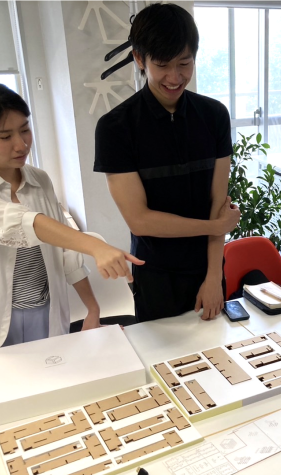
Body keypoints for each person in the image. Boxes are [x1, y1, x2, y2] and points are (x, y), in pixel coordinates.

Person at [0, 79, 144, 365]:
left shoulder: (39, 180)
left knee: (53, 392)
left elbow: (65, 253)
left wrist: (92, 310)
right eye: (4, 136)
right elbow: (20, 224)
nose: (20, 144)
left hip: (45, 311)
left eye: (25, 129)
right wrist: (96, 246)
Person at [94, 3, 240, 323]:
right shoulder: (116, 128)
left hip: (209, 269)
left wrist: (214, 276)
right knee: (165, 366)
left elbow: (219, 202)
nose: (175, 77)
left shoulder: (214, 116)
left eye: (184, 63)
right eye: (162, 65)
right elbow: (140, 220)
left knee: (219, 356)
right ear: (139, 59)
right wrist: (215, 227)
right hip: (155, 275)